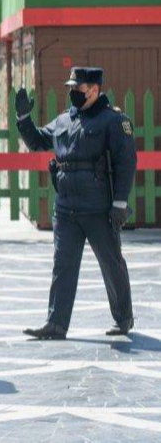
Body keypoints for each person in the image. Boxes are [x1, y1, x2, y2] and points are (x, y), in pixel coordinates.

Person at [16, 67, 137, 340]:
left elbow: (126, 162)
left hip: (99, 208)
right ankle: (56, 324)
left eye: (78, 89)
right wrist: (23, 118)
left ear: (94, 90)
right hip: (67, 207)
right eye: (71, 88)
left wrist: (119, 203)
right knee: (63, 265)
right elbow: (36, 141)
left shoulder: (114, 121)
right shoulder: (64, 121)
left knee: (111, 263)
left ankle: (123, 318)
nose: (73, 93)